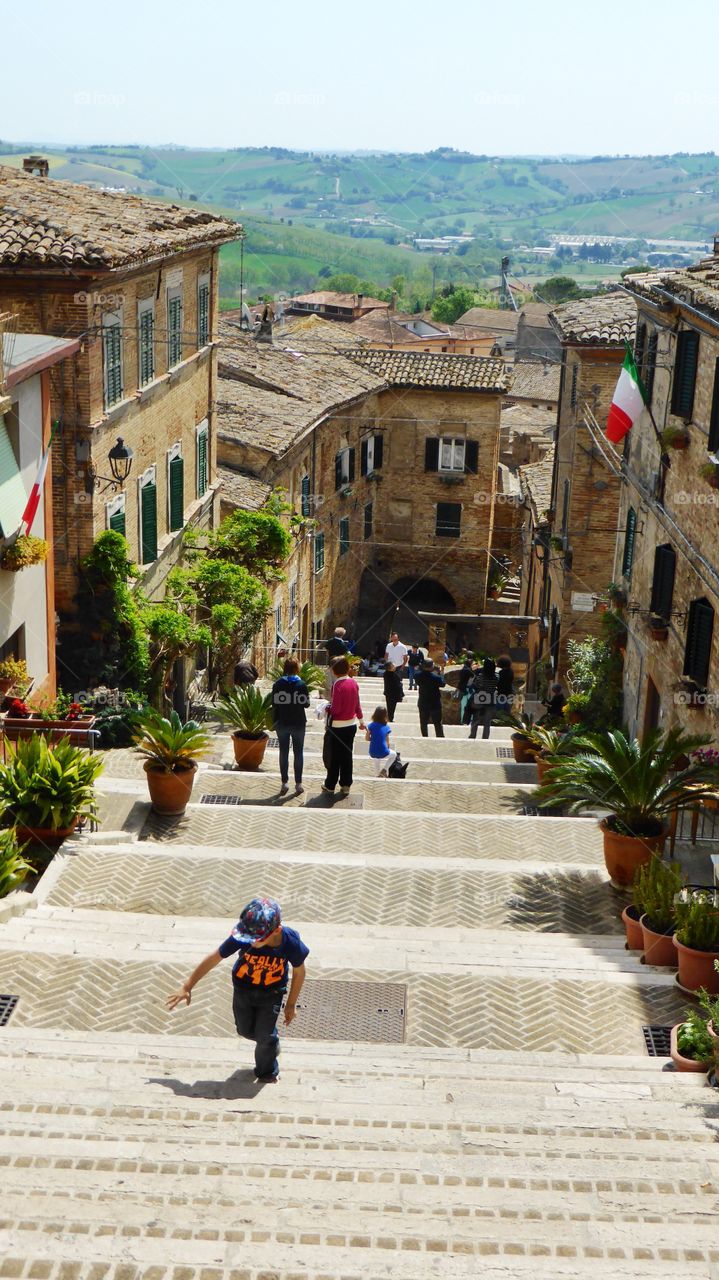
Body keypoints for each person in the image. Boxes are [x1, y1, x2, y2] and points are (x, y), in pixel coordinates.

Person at [166, 896, 308, 1083]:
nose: (252, 942)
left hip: (273, 993)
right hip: (243, 990)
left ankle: (267, 1071)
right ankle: (270, 1044)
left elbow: (299, 972)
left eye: (257, 939)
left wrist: (290, 1004)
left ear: (276, 931)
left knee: (265, 1036)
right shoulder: (244, 937)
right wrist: (187, 986)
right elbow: (215, 957)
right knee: (245, 1031)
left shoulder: (290, 942)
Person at [322, 657, 365, 795]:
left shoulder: (337, 685)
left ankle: (330, 784)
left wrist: (327, 707)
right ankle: (346, 784)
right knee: (347, 756)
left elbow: (336, 709)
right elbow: (357, 704)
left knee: (335, 757)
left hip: (337, 727)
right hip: (350, 726)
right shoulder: (353, 683)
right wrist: (362, 721)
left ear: (334, 670)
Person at [271, 657, 310, 796]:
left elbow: (274, 703)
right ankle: (298, 784)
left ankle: (284, 782)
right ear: (297, 668)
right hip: (298, 723)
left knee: (284, 752)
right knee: (298, 752)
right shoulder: (301, 684)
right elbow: (306, 704)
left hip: (282, 722)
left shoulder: (277, 684)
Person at [469, 658, 498, 740]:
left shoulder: (480, 677)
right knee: (487, 722)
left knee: (476, 719)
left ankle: (473, 735)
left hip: (480, 699)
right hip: (490, 700)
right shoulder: (495, 677)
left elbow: (475, 686)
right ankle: (485, 737)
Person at [415, 659, 445, 737]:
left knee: (423, 722)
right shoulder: (436, 677)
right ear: (432, 666)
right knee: (437, 723)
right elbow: (443, 684)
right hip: (434, 703)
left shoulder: (417, 676)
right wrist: (441, 673)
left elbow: (418, 672)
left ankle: (425, 736)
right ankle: (440, 736)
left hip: (423, 702)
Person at [365, 706, 397, 778]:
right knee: (394, 755)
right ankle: (384, 770)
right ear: (385, 715)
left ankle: (377, 775)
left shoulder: (371, 725)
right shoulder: (386, 726)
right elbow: (387, 743)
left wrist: (373, 739)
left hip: (372, 751)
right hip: (383, 751)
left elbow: (367, 738)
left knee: (376, 759)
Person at [457, 654, 476, 725]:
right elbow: (473, 676)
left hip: (463, 690)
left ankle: (463, 720)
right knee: (468, 706)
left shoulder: (464, 669)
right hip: (467, 690)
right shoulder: (468, 670)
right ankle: (468, 720)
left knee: (463, 706)